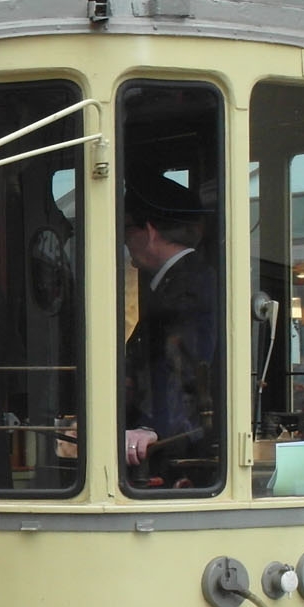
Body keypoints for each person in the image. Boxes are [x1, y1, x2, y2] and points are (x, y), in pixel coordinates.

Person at [121, 174, 218, 486]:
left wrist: (151, 427)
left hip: (179, 453)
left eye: (126, 230)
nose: (124, 240)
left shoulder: (187, 288)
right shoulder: (182, 281)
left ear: (149, 232)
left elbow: (187, 364)